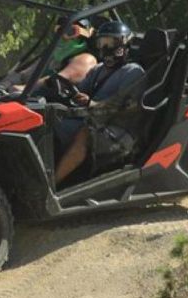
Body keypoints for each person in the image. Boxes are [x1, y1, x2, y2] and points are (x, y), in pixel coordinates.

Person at [54, 20, 145, 185]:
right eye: (101, 42)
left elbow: (123, 107)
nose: (104, 47)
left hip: (119, 131)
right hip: (91, 120)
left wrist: (91, 104)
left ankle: (52, 184)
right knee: (48, 123)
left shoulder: (133, 71)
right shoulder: (98, 70)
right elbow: (81, 90)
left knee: (84, 134)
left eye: (110, 43)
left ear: (123, 44)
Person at [1, 17, 97, 91]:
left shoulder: (86, 59)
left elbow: (59, 80)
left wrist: (25, 89)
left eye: (70, 32)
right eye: (60, 31)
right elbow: (23, 75)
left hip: (60, 112)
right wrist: (4, 85)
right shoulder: (52, 57)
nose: (62, 37)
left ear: (83, 36)